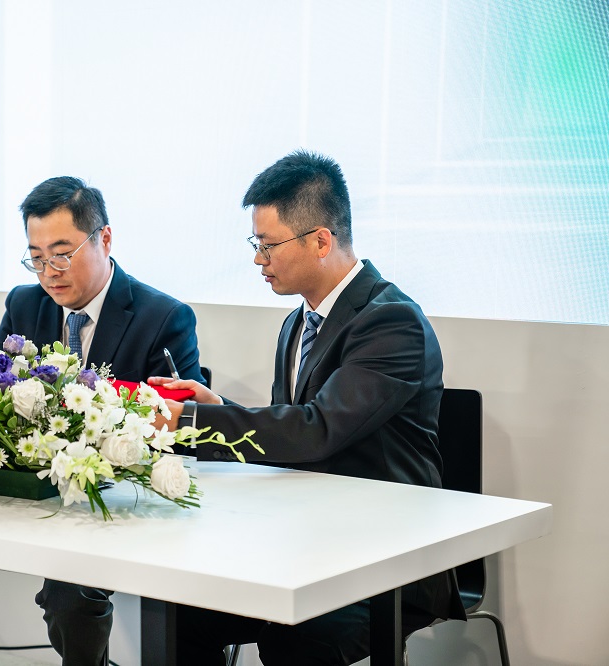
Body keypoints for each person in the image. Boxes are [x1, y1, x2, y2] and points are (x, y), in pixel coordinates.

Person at [152, 150, 464, 665]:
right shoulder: (298, 321)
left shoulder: (392, 321)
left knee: (297, 637)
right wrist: (217, 405)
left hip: (382, 555)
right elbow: (295, 430)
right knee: (179, 612)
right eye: (255, 245)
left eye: (268, 245)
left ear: (321, 240)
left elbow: (318, 431)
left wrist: (191, 420)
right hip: (308, 540)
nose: (258, 259)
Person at [0, 176, 205, 666]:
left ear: (104, 239)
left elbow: (178, 432)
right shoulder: (23, 303)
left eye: (61, 254)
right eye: (36, 257)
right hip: (20, 494)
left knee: (70, 594)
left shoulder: (163, 317)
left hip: (103, 508)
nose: (49, 273)